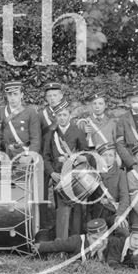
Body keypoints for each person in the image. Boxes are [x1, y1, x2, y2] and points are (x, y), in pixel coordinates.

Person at [42, 100, 89, 239]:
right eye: (59, 115)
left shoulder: (77, 132)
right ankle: (61, 241)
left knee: (77, 210)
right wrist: (51, 173)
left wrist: (79, 159)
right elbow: (46, 156)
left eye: (64, 114)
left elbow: (86, 153)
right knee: (61, 209)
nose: (62, 118)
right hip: (59, 177)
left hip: (75, 178)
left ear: (69, 115)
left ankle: (76, 240)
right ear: (55, 117)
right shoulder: (51, 134)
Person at [32, 218, 125, 267]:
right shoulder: (77, 241)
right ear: (88, 236)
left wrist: (101, 254)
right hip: (57, 251)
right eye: (94, 238)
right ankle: (42, 233)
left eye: (102, 238)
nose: (98, 242)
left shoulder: (112, 243)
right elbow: (58, 245)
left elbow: (113, 263)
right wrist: (40, 246)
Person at [0, 80, 42, 165]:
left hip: (25, 153)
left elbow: (35, 138)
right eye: (9, 94)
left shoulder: (30, 112)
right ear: (6, 96)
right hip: (7, 154)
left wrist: (31, 156)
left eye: (15, 94)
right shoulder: (0, 112)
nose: (12, 97)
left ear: (22, 95)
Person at [86, 142, 130, 236]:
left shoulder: (120, 173)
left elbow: (125, 197)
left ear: (115, 158)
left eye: (110, 155)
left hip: (114, 212)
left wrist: (120, 215)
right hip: (97, 213)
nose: (107, 158)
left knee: (123, 230)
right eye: (104, 155)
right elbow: (88, 198)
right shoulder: (93, 173)